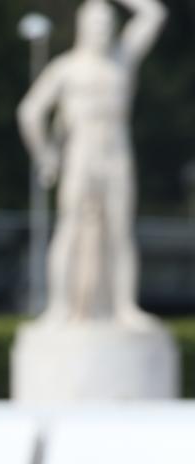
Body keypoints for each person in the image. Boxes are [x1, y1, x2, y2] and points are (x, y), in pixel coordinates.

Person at [17, 0, 167, 328]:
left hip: (116, 150)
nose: (102, 31)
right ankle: (58, 306)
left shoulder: (122, 59)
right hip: (80, 151)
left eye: (107, 24)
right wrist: (45, 156)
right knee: (69, 227)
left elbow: (154, 13)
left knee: (120, 230)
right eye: (96, 24)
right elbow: (30, 112)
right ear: (83, 28)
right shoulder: (66, 67)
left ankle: (125, 305)